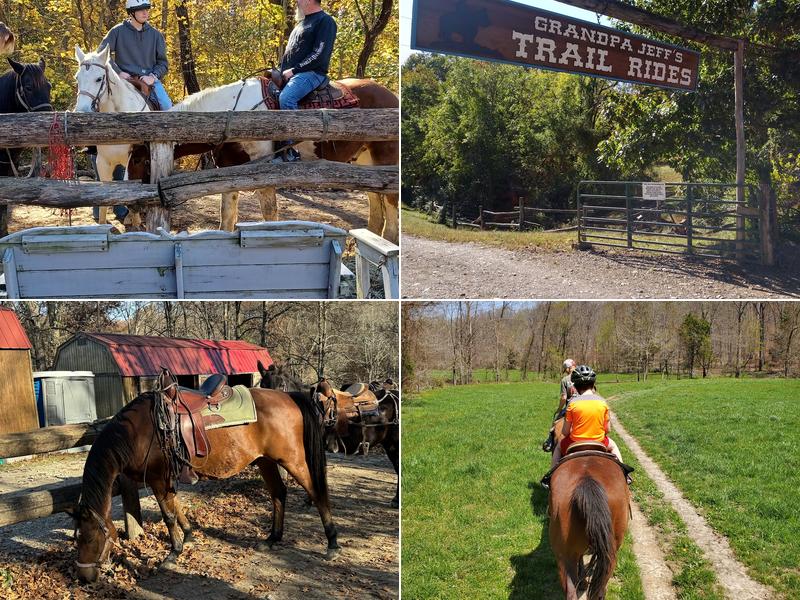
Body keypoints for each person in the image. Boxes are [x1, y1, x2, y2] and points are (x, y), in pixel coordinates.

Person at [273, 0, 337, 162]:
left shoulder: (325, 21)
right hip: (293, 73)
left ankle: (291, 151)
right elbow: (290, 54)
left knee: (287, 98)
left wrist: (294, 70)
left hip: (312, 73)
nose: (297, 2)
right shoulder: (300, 24)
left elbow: (319, 54)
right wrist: (279, 72)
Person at [549, 365, 626, 475]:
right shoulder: (603, 403)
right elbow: (607, 430)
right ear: (593, 385)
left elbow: (565, 432)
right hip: (599, 441)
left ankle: (551, 475)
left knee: (557, 448)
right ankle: (624, 474)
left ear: (575, 386)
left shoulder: (572, 404)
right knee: (613, 445)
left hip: (575, 442)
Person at [98, 0, 172, 110]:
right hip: (123, 80)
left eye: (146, 10)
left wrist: (152, 77)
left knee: (167, 107)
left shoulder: (156, 35)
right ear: (132, 12)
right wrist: (118, 72)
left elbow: (163, 63)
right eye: (141, 10)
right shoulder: (117, 31)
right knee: (98, 103)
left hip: (148, 80)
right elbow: (101, 54)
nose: (145, 13)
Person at [542, 358, 576, 452]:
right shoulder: (581, 377)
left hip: (570, 407)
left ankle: (549, 442)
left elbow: (564, 398)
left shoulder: (565, 380)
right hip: (584, 406)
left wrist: (559, 409)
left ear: (568, 368)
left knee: (556, 421)